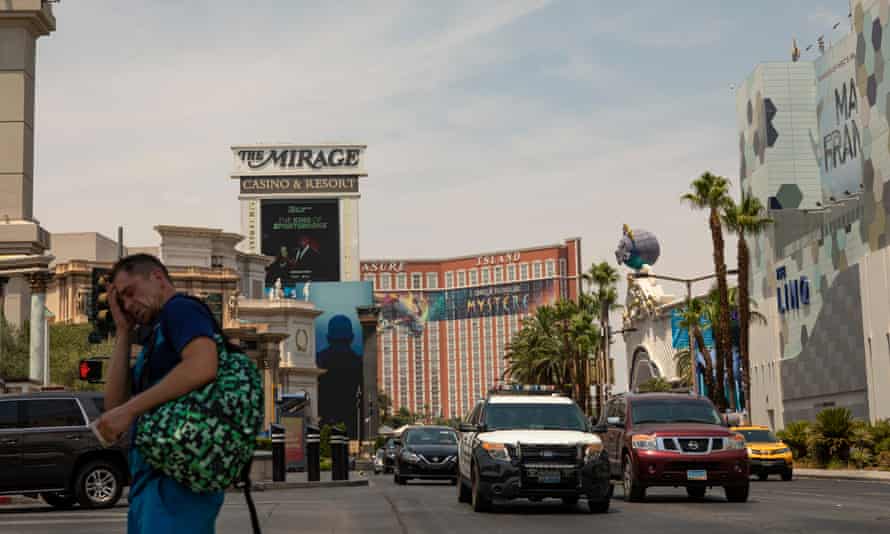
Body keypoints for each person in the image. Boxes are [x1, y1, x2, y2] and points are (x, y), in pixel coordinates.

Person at [95, 254, 224, 534]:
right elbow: (114, 404)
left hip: (176, 482)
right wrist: (123, 331)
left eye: (130, 293)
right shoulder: (155, 333)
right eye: (122, 300)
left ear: (157, 277)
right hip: (152, 481)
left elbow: (203, 365)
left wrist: (130, 410)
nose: (129, 305)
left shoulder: (181, 310)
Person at [316, 315, 362, 436]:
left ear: (328, 338)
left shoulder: (318, 360)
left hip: (323, 423)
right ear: (351, 338)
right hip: (352, 426)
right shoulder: (359, 363)